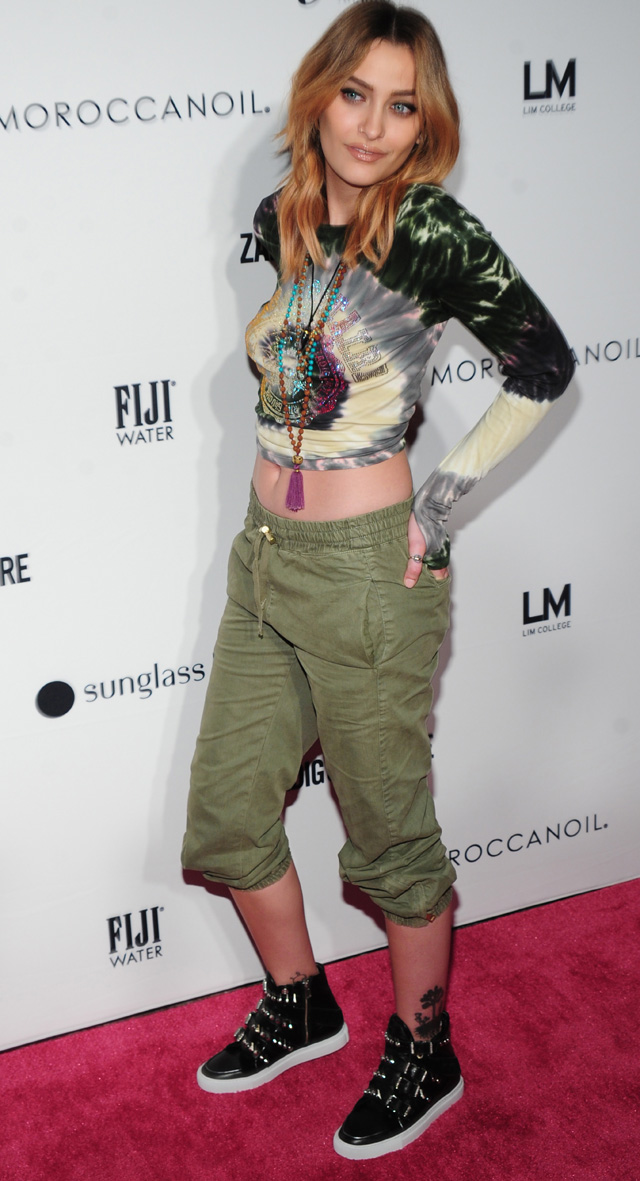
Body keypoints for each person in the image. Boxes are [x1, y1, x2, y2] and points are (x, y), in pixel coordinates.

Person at [182, 0, 574, 1161]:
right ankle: (301, 999)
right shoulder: (284, 213)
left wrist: (439, 506)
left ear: (424, 123)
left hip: (366, 573)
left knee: (389, 838)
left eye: (401, 106)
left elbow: (542, 364)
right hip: (264, 557)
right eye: (355, 94)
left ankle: (424, 1045)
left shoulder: (431, 229)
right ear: (320, 94)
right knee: (228, 814)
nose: (371, 125)